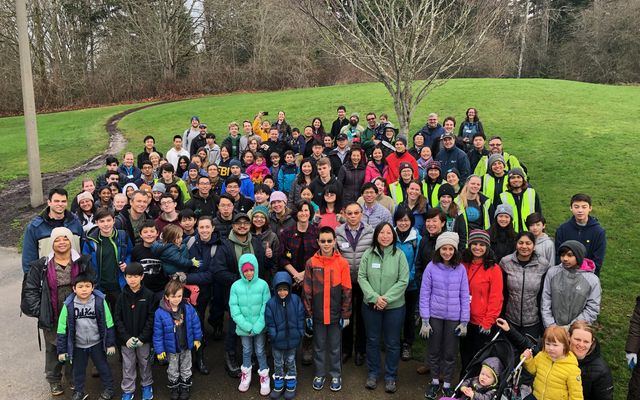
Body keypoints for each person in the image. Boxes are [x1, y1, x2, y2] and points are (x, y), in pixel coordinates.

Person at [20, 228, 93, 397]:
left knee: (75, 343)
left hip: (77, 307)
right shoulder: (42, 265)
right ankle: (54, 379)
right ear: (52, 243)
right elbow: (30, 289)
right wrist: (40, 311)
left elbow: (92, 281)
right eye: (57, 240)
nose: (62, 242)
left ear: (70, 241)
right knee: (54, 346)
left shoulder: (82, 261)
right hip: (52, 309)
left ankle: (73, 377)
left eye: (65, 239)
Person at [212, 213, 272, 378]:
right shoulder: (225, 245)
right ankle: (230, 357)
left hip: (256, 293)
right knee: (234, 326)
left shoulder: (256, 242)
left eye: (246, 223)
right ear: (233, 226)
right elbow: (217, 270)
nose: (242, 226)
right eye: (238, 223)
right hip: (236, 292)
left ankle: (253, 356)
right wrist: (238, 280)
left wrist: (269, 257)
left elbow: (263, 267)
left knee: (256, 322)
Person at [358, 222, 409, 393]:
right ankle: (373, 374)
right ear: (376, 235)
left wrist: (386, 299)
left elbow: (403, 281)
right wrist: (374, 297)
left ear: (393, 236)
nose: (385, 236)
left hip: (394, 307)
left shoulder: (399, 255)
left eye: (388, 233)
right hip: (371, 306)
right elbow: (362, 277)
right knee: (372, 341)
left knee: (393, 343)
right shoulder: (368, 254)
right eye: (382, 233)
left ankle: (390, 377)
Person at [420, 232, 470, 399]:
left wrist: (464, 321)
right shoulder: (431, 267)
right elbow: (425, 294)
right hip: (435, 316)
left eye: (450, 249)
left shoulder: (461, 269)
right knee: (434, 350)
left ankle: (447, 383)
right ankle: (434, 382)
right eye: (444, 249)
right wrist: (425, 319)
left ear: (455, 250)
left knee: (450, 352)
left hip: (453, 318)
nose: (447, 252)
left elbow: (464, 295)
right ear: (438, 249)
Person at [304, 226, 352, 392]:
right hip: (317, 314)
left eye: (329, 241)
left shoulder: (342, 263)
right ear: (318, 242)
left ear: (335, 241)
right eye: (323, 241)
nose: (326, 244)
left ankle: (335, 374)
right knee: (318, 345)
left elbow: (347, 290)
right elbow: (307, 290)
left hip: (335, 314)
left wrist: (346, 314)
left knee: (334, 346)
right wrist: (308, 313)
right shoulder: (311, 263)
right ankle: (319, 373)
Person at [56, 271, 116, 400]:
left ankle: (109, 389)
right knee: (78, 371)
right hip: (78, 345)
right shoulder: (69, 305)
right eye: (80, 286)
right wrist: (62, 350)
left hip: (97, 344)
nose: (84, 289)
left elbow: (109, 322)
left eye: (87, 286)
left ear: (93, 287)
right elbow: (61, 328)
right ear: (74, 288)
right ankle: (79, 391)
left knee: (103, 367)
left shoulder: (100, 302)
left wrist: (110, 343)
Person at [279, 201, 320, 365]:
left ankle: (307, 346)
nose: (303, 213)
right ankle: (288, 346)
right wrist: (296, 274)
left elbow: (320, 255)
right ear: (296, 213)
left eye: (306, 210)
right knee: (289, 313)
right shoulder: (286, 233)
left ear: (310, 213)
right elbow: (281, 256)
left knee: (309, 314)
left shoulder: (316, 232)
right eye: (301, 210)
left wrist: (304, 274)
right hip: (291, 278)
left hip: (311, 278)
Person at [336, 202, 374, 367]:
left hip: (364, 281)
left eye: (356, 213)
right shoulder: (338, 232)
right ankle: (345, 350)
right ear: (344, 214)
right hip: (344, 282)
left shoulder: (371, 232)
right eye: (349, 213)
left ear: (361, 214)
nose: (352, 216)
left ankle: (360, 350)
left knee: (362, 316)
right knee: (346, 316)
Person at [460, 230, 503, 371]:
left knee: (479, 358)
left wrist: (488, 321)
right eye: (474, 244)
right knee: (465, 355)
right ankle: (463, 385)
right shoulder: (463, 264)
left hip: (482, 323)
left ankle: (477, 387)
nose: (478, 247)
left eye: (482, 244)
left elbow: (496, 298)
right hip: (463, 320)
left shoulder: (494, 269)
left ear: (487, 247)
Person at [229, 254, 271, 395]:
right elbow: (234, 309)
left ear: (256, 269)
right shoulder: (235, 286)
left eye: (251, 270)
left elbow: (266, 307)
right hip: (243, 328)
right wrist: (246, 325)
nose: (249, 273)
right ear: (241, 271)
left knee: (260, 350)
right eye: (245, 270)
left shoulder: (263, 285)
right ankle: (245, 375)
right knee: (246, 350)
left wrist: (259, 326)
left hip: (260, 327)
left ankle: (264, 376)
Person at [154, 279, 202, 400]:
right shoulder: (160, 313)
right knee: (173, 369)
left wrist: (197, 338)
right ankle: (174, 387)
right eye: (173, 296)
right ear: (167, 296)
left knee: (186, 366)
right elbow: (157, 333)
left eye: (179, 296)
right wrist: (159, 350)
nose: (177, 299)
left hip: (186, 345)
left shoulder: (188, 307)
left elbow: (196, 323)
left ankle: (185, 386)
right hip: (172, 349)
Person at [114, 262, 156, 400]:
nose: (132, 279)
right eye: (129, 276)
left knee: (145, 363)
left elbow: (151, 318)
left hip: (143, 339)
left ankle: (147, 385)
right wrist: (126, 338)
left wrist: (143, 338)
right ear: (125, 277)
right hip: (126, 341)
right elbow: (117, 319)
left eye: (136, 276)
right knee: (128, 365)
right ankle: (128, 389)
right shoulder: (121, 296)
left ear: (142, 277)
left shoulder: (149, 295)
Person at [500, 231, 551, 339]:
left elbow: (545, 294)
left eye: (528, 243)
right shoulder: (506, 262)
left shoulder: (543, 264)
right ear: (516, 244)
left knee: (529, 353)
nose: (524, 246)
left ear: (534, 245)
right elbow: (501, 291)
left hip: (533, 321)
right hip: (510, 319)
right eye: (521, 243)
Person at [22, 187, 84, 275]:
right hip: (47, 279)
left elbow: (83, 249)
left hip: (75, 277)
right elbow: (29, 258)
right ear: (49, 202)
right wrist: (30, 280)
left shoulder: (75, 223)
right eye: (56, 201)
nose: (60, 204)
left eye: (63, 201)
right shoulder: (35, 227)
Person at [542, 240, 601, 328]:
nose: (565, 259)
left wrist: (571, 328)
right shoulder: (552, 273)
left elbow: (592, 308)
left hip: (577, 331)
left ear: (579, 256)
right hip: (552, 330)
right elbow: (546, 299)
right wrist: (550, 325)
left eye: (570, 255)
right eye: (562, 255)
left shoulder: (592, 280)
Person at [265, 271, 305, 399]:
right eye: (279, 290)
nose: (282, 292)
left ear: (289, 288)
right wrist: (273, 335)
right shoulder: (271, 304)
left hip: (293, 339)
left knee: (290, 361)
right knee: (277, 362)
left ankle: (291, 384)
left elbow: (300, 318)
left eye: (285, 289)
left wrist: (300, 332)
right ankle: (279, 384)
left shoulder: (295, 300)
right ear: (275, 289)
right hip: (277, 341)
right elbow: (270, 322)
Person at [83, 207, 132, 310]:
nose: (106, 224)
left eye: (109, 220)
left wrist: (127, 263)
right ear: (96, 222)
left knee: (119, 315)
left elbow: (130, 253)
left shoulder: (122, 236)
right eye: (102, 221)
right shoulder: (90, 241)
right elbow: (85, 262)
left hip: (119, 285)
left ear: (114, 220)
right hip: (99, 286)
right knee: (103, 317)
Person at [521, 326, 583, 400]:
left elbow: (576, 394)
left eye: (555, 345)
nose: (550, 348)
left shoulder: (572, 369)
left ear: (565, 345)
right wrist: (528, 359)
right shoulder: (541, 356)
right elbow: (533, 370)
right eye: (547, 344)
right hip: (537, 396)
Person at [393, 207, 421, 362]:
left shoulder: (417, 238)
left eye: (406, 220)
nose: (403, 223)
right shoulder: (390, 235)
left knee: (409, 316)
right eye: (400, 220)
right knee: (395, 315)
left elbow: (417, 262)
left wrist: (406, 279)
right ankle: (395, 342)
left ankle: (407, 344)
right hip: (393, 285)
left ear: (411, 221)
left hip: (410, 285)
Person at [554, 193, 606, 275]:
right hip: (565, 275)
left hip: (587, 277)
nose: (580, 210)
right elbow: (557, 255)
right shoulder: (562, 229)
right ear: (571, 208)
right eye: (576, 207)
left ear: (590, 208)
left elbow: (598, 260)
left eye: (584, 207)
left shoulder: (598, 232)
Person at [568, 321, 613, 400]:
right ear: (569, 337)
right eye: (577, 339)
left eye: (586, 341)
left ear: (592, 342)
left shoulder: (601, 371)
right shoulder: (556, 356)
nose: (581, 345)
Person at [131, 220, 167, 299]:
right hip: (143, 290)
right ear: (140, 234)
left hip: (161, 290)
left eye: (152, 231)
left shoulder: (163, 249)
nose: (149, 234)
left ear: (157, 233)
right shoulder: (136, 250)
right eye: (145, 232)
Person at [499, 167, 541, 232]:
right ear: (509, 181)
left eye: (518, 177)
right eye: (513, 178)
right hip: (510, 233)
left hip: (530, 232)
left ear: (523, 179)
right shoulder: (503, 196)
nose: (516, 180)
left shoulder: (532, 193)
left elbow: (539, 213)